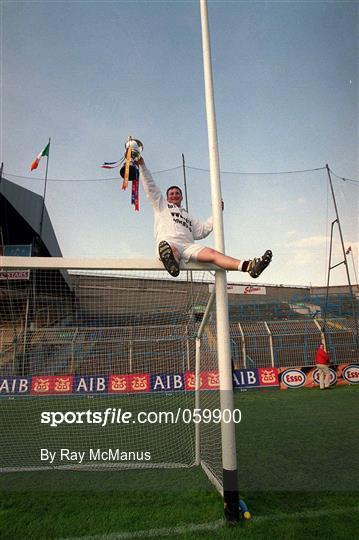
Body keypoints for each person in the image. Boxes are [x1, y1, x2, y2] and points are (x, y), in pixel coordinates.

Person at [138, 158, 272, 277]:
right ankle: (172, 261)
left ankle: (250, 266)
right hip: (169, 242)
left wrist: (217, 212)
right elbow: (150, 186)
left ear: (181, 197)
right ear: (167, 197)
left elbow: (203, 230)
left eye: (177, 193)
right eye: (171, 194)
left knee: (212, 254)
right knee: (171, 250)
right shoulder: (161, 205)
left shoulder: (188, 216)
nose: (174, 195)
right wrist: (141, 164)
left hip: (188, 246)